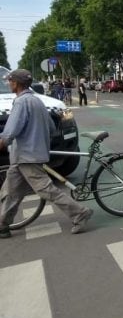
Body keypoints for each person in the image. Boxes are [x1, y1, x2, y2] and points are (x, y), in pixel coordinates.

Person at [0, 69, 93, 238]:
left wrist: (4, 142)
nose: (8, 83)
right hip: (24, 155)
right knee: (11, 191)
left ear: (16, 83)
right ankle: (3, 225)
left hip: (27, 156)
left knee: (46, 190)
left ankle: (80, 213)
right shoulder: (38, 101)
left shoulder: (21, 103)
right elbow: (50, 128)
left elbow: (9, 133)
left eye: (10, 81)